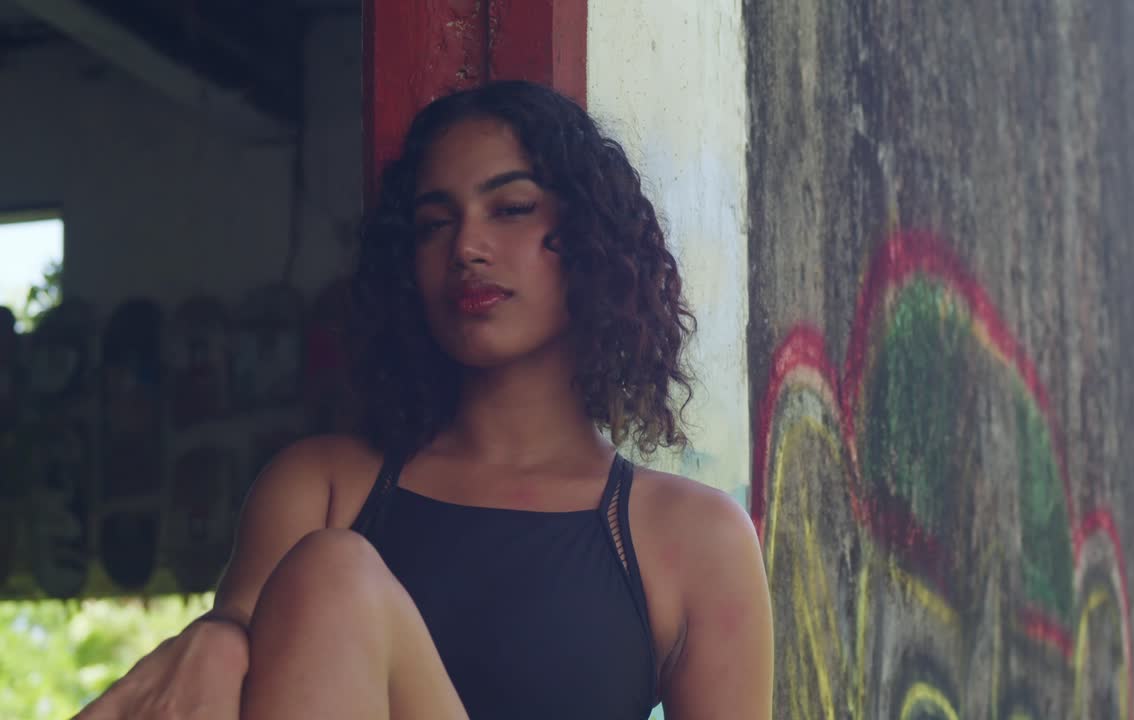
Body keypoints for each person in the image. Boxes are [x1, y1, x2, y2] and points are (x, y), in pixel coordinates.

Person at [76, 80, 774, 720]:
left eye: (511, 208)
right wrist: (223, 636)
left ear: (591, 239)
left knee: (335, 569)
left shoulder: (694, 538)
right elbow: (220, 686)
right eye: (435, 224)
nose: (467, 246)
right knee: (330, 574)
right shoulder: (321, 486)